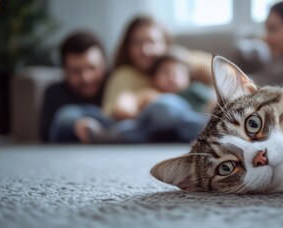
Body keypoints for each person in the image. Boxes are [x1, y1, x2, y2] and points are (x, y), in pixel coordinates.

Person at [75, 15, 213, 143]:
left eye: (152, 42)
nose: (145, 50)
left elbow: (222, 72)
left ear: (166, 44)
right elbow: (118, 111)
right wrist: (141, 102)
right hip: (145, 126)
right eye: (137, 43)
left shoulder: (179, 62)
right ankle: (105, 136)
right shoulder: (124, 74)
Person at [78, 54, 214, 143]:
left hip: (184, 127)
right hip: (150, 131)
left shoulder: (194, 90)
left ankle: (213, 132)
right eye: (166, 72)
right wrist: (134, 105)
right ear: (154, 78)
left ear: (189, 78)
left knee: (195, 123)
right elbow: (128, 104)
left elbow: (213, 103)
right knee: (130, 128)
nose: (172, 76)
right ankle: (105, 136)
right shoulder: (150, 92)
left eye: (179, 73)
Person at [39, 31, 109, 143]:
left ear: (104, 65)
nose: (86, 78)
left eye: (92, 68)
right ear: (65, 72)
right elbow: (46, 134)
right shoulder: (55, 92)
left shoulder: (115, 84)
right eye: (76, 71)